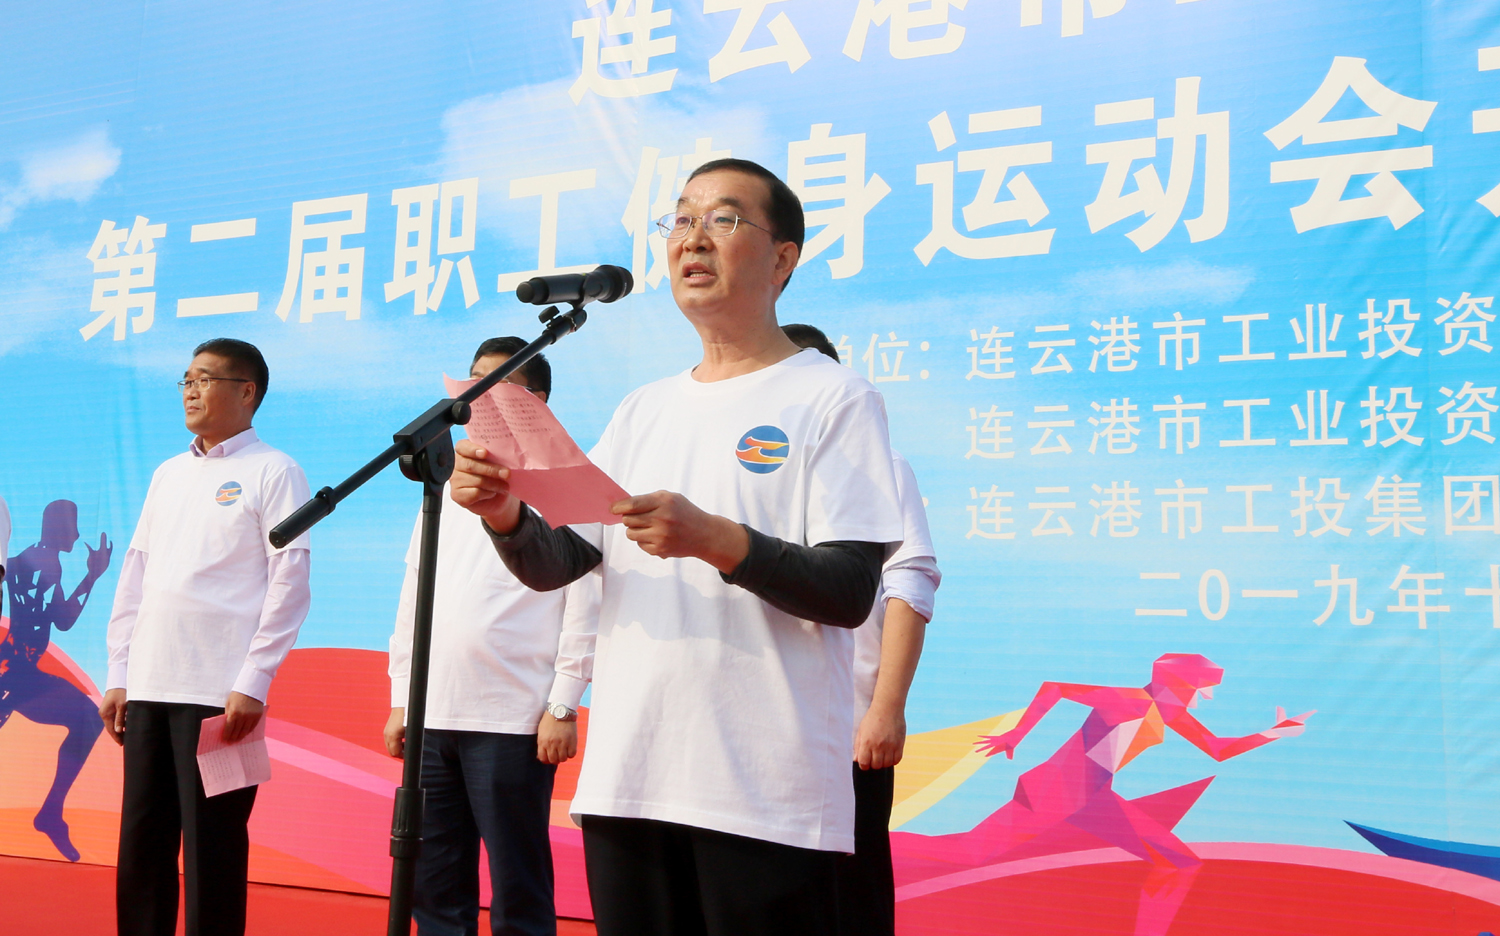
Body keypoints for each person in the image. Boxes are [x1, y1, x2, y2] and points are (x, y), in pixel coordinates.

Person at [448, 158, 905, 936]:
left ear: (783, 258)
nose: (692, 238)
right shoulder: (643, 408)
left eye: (723, 219)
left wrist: (717, 540)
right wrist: (505, 518)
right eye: (681, 219)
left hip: (765, 796)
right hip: (631, 780)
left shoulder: (834, 396)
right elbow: (564, 561)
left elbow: (849, 590)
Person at [100, 338, 312, 936]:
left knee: (212, 848)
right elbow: (135, 576)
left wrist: (254, 680)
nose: (190, 391)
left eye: (205, 379)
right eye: (186, 380)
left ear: (247, 391)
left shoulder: (275, 470)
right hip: (149, 685)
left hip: (220, 696)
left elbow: (290, 582)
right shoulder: (169, 473)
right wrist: (118, 673)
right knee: (142, 844)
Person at [384, 337, 592, 936]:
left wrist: (563, 703)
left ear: (537, 401)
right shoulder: (449, 481)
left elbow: (584, 599)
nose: (478, 394)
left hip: (514, 718)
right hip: (434, 713)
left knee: (517, 885)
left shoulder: (567, 482)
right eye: (473, 380)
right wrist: (402, 698)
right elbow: (414, 594)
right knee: (435, 883)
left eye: (497, 383)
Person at [782, 324, 940, 936]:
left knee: (853, 898)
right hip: (757, 728)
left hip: (848, 728)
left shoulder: (881, 466)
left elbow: (910, 585)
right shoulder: (747, 465)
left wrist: (886, 710)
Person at [1, 499, 113, 861]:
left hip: (18, 672)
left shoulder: (32, 559)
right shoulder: (43, 563)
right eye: (73, 526)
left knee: (88, 719)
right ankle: (50, 813)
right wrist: (92, 576)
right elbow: (63, 621)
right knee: (88, 718)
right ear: (56, 526)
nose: (77, 535)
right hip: (15, 674)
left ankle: (50, 812)